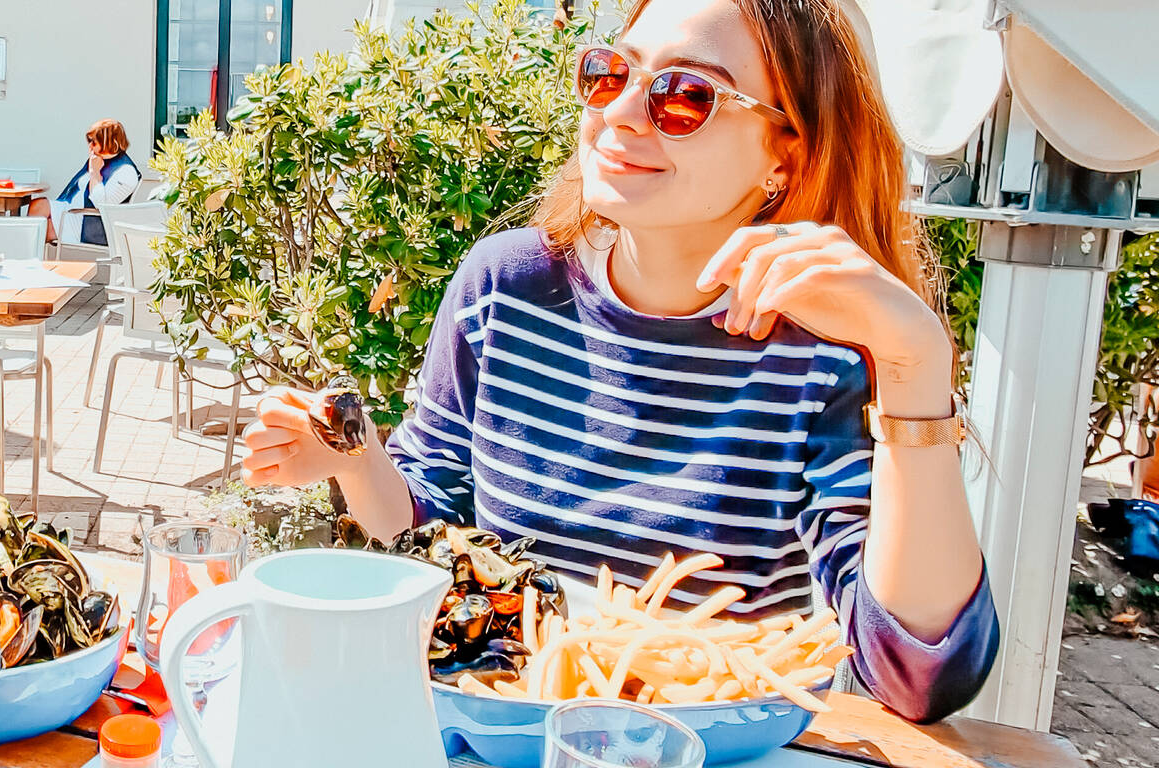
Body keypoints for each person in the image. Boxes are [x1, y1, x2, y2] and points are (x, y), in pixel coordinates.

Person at [241, 0, 997, 723]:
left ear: (784, 151)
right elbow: (426, 527)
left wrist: (913, 366)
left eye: (684, 96)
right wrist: (353, 457)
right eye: (611, 73)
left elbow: (917, 674)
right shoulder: (505, 286)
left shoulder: (824, 353)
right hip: (502, 732)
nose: (622, 112)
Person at [27, 119, 141, 245]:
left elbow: (102, 204)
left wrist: (94, 173)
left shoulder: (126, 172)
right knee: (37, 205)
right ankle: (26, 255)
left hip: (87, 223)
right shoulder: (99, 159)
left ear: (108, 141)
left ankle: (26, 257)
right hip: (72, 210)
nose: (90, 145)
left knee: (40, 231)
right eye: (89, 141)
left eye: (94, 141)